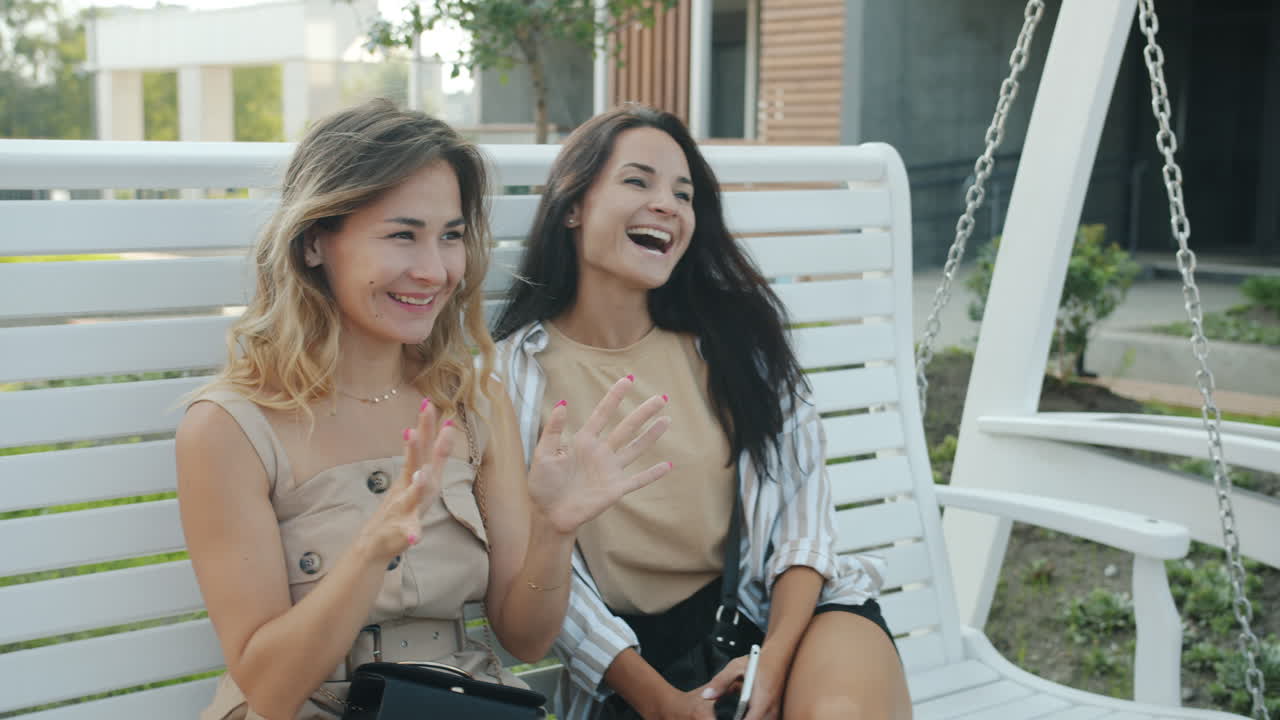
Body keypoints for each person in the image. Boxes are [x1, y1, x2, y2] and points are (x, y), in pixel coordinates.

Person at [176, 98, 673, 720]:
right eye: (402, 235)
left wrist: (556, 530)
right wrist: (369, 552)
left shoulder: (469, 402)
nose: (434, 271)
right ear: (313, 243)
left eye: (451, 236)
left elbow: (526, 638)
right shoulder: (228, 429)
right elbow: (270, 692)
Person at [493, 104, 912, 720]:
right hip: (639, 665)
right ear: (573, 206)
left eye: (683, 194)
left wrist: (774, 663)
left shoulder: (738, 344)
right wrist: (664, 703)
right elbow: (556, 590)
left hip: (789, 616)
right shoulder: (510, 378)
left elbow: (803, 521)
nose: (667, 204)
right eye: (638, 181)